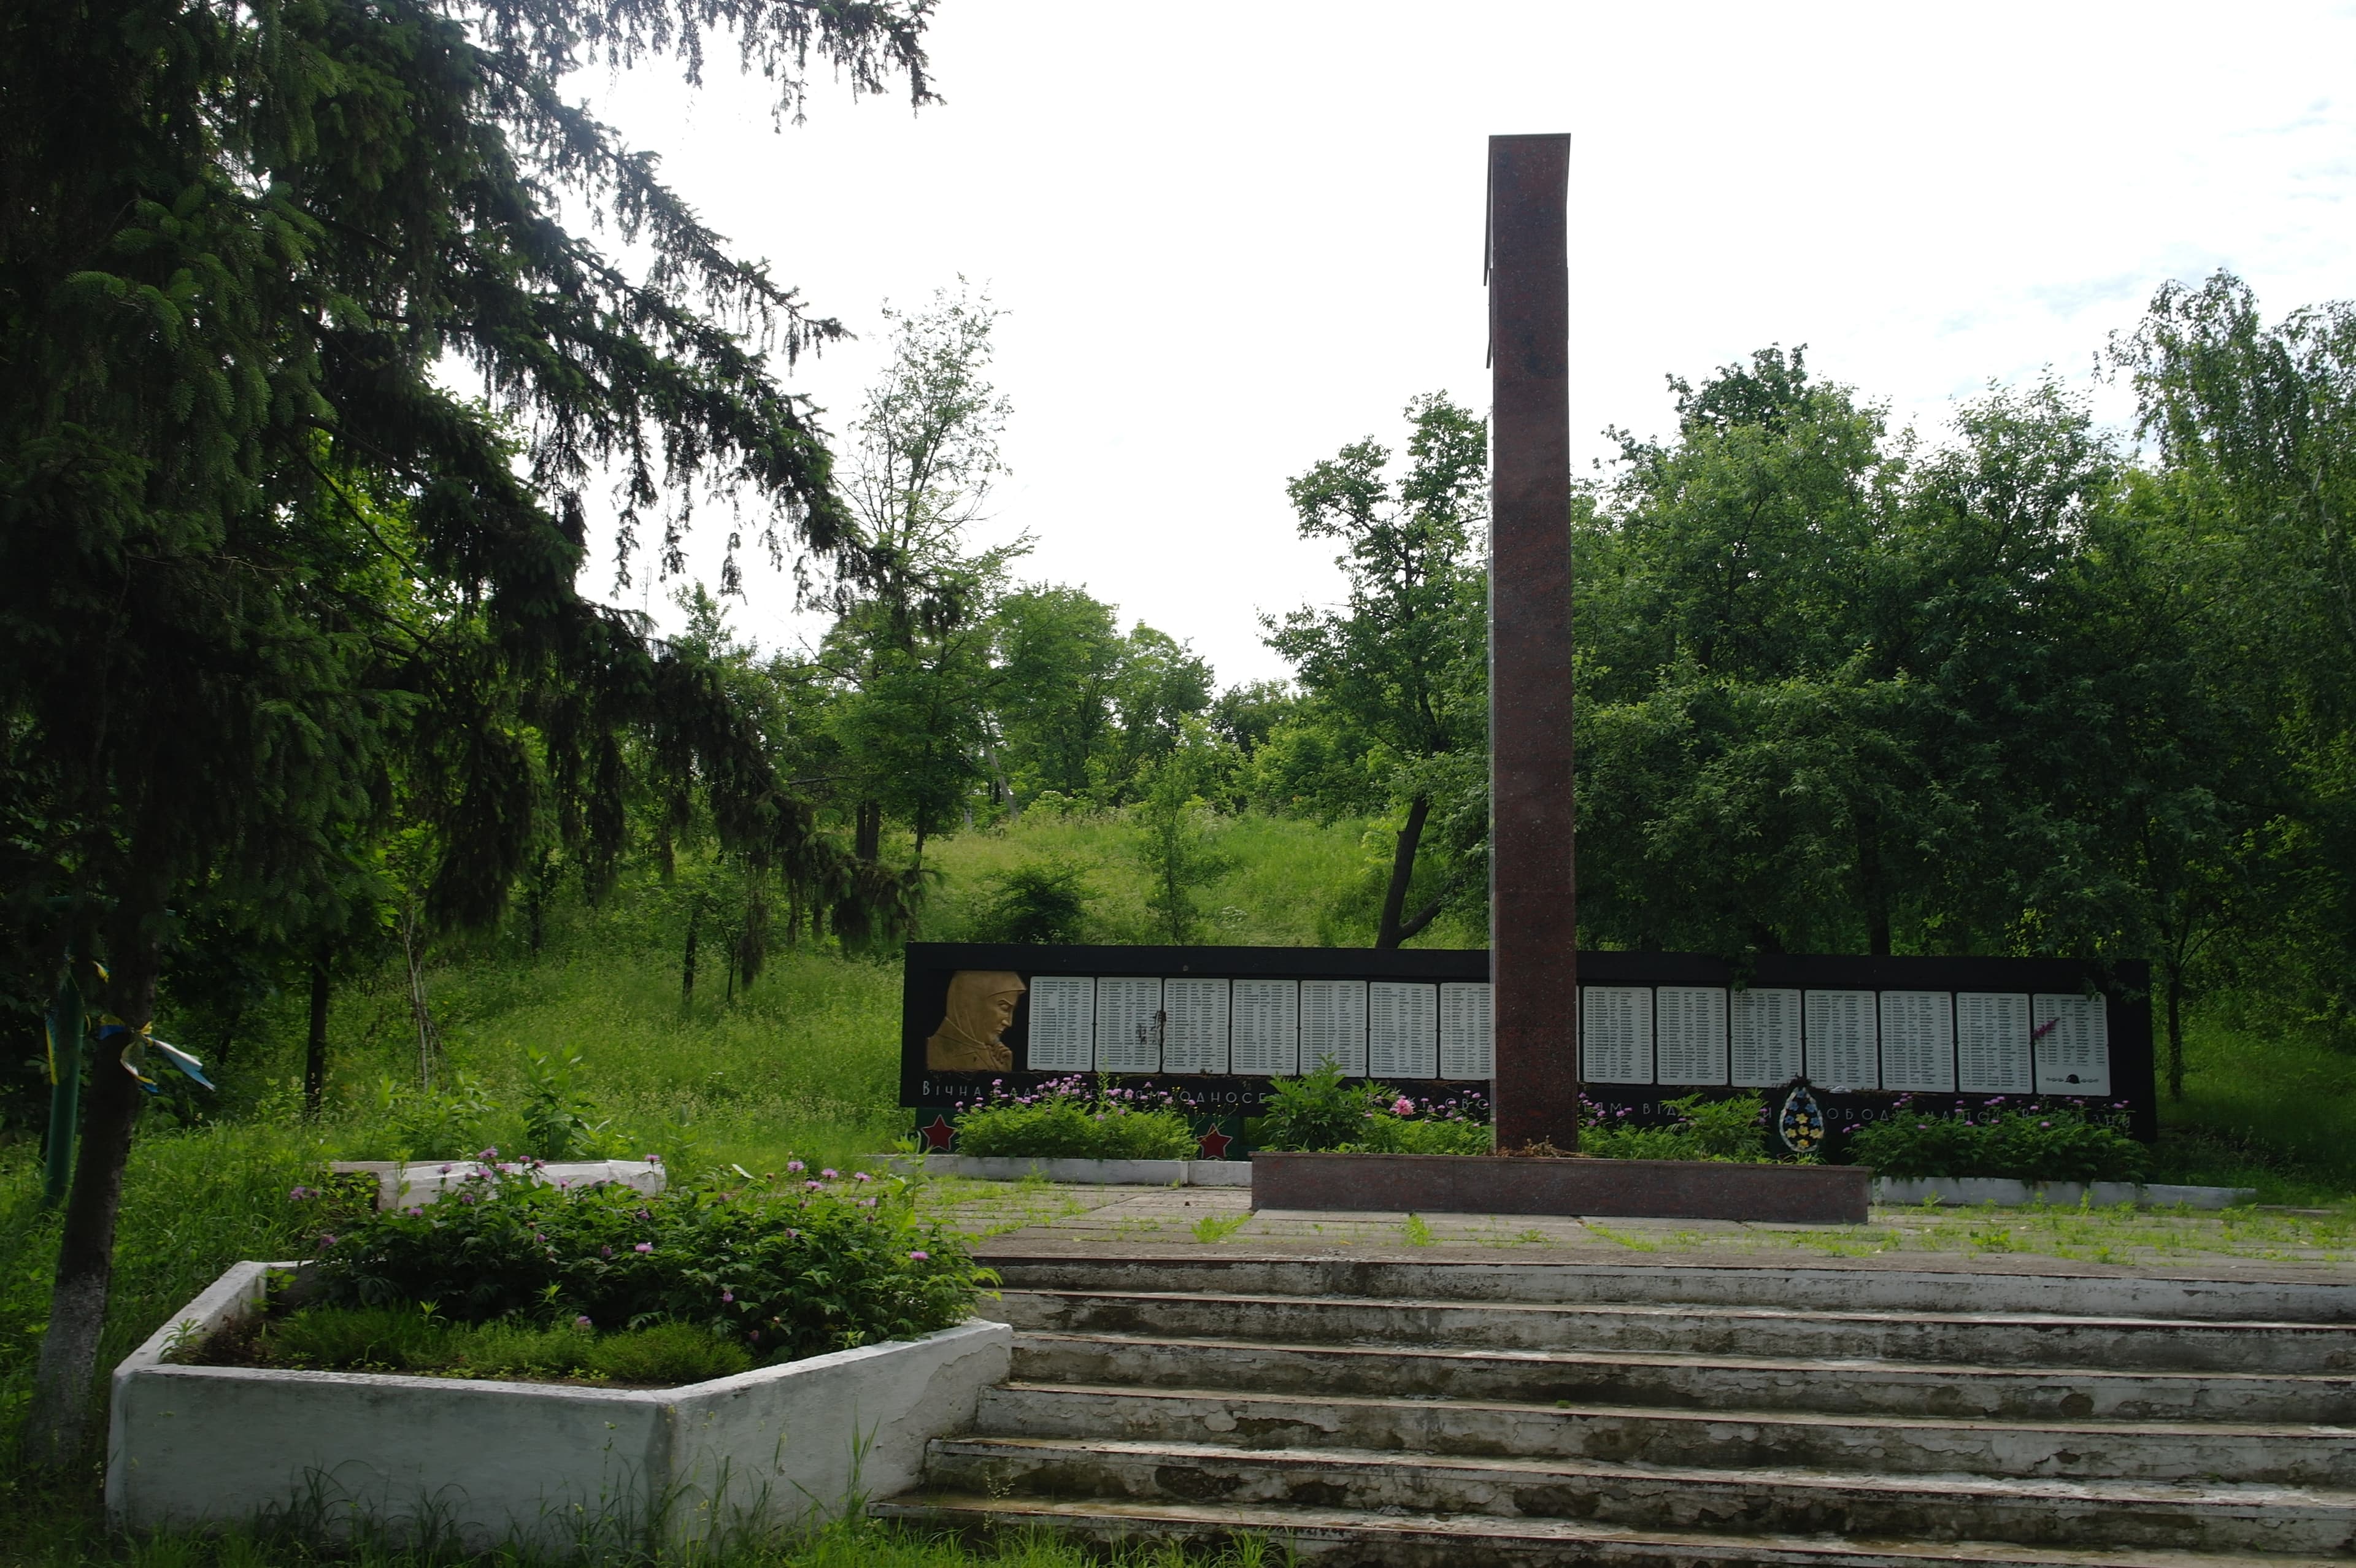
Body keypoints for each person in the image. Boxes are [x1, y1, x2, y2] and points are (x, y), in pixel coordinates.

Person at [926, 970, 1025, 1070]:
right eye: (1004, 1008)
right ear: (973, 1005)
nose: (1009, 1023)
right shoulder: (932, 1051)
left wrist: (1004, 1072)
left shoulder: (996, 1057)